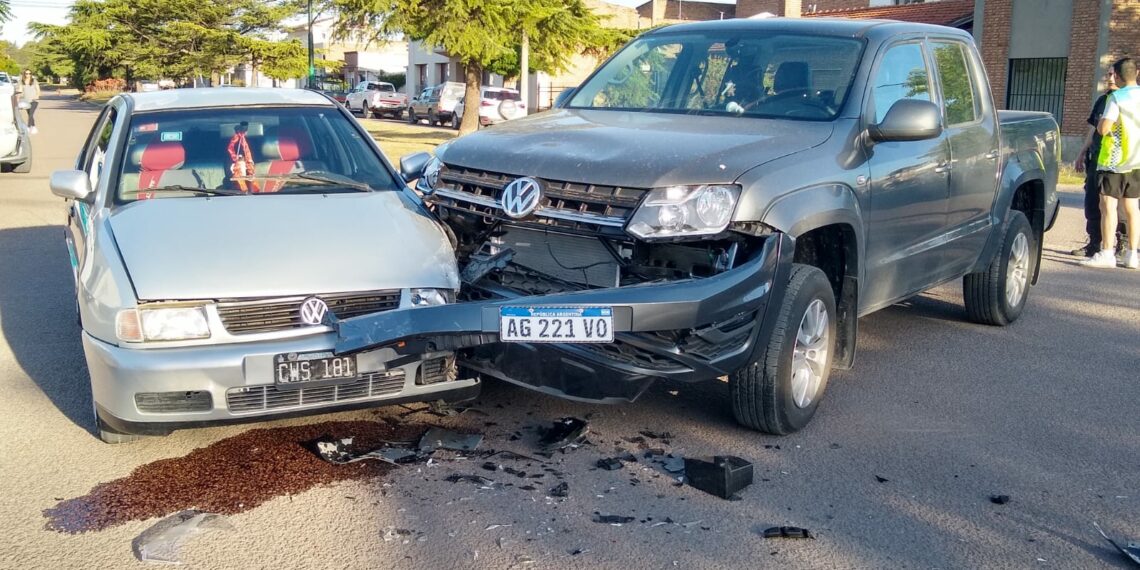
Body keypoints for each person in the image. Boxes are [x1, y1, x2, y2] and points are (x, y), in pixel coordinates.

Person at [1082, 57, 1140, 269]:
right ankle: (1133, 254)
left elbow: (1104, 128)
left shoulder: (1116, 98)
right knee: (1133, 208)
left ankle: (1107, 252)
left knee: (1108, 206)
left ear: (1116, 75)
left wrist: (1102, 127)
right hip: (1137, 160)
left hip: (1114, 160)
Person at [1072, 68, 1123, 257]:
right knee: (1092, 201)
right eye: (1108, 74)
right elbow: (1094, 130)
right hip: (1098, 158)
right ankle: (1094, 242)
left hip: (1120, 161)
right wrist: (1081, 153)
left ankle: (1122, 243)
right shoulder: (1103, 100)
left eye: (1113, 74)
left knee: (1120, 205)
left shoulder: (1128, 101)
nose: (1109, 78)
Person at [15, 69, 39, 135]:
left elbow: (38, 90)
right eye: (26, 73)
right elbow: (20, 91)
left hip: (34, 100)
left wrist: (37, 96)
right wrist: (17, 98)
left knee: (31, 114)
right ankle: (33, 127)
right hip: (26, 101)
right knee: (29, 115)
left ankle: (28, 128)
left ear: (31, 74)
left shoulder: (34, 81)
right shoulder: (21, 81)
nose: (28, 75)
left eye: (29, 73)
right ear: (24, 74)